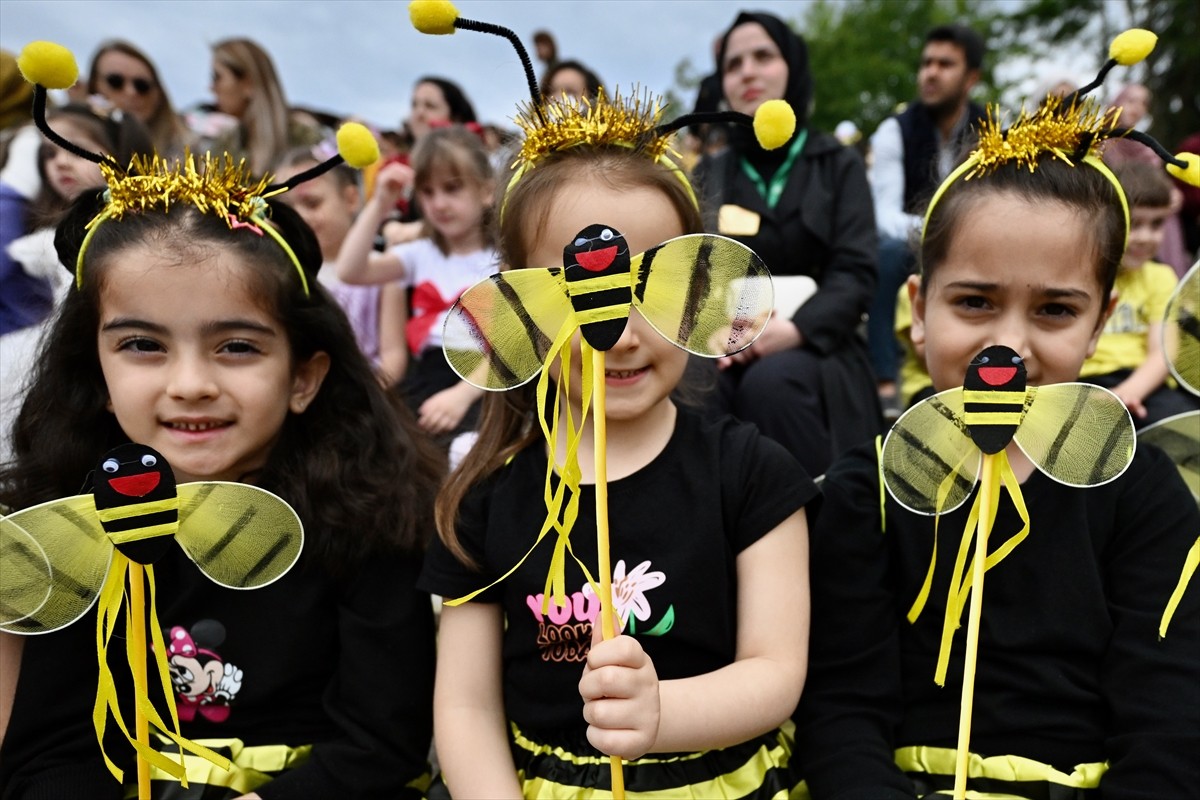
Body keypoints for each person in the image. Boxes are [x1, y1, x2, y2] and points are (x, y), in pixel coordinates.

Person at [406, 4, 814, 795]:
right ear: (521, 311)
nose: (618, 336)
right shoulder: (483, 501)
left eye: (652, 288)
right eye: (580, 295)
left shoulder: (754, 474)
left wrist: (664, 711)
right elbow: (463, 708)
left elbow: (776, 669)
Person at [0, 67, 442, 798]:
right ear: (97, 372)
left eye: (236, 347)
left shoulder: (371, 521)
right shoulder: (67, 531)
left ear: (304, 376)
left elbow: (376, 744)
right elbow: (45, 755)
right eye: (142, 345)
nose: (190, 383)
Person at [794, 92, 1200, 796]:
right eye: (975, 302)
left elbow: (1169, 724)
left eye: (1054, 310)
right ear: (918, 309)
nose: (1007, 350)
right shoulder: (870, 489)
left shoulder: (1142, 491)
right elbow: (842, 713)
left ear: (1100, 323)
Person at [694, 10, 879, 478]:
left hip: (820, 345)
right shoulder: (706, 176)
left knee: (773, 385)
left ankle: (820, 534)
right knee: (695, 389)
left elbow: (855, 272)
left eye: (763, 56)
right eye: (733, 65)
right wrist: (719, 332)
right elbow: (694, 274)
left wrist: (796, 330)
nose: (748, 72)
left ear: (791, 67)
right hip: (727, 345)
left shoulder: (837, 165)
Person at [336, 125, 497, 437]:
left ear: (487, 191)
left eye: (452, 188)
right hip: (427, 376)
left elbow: (515, 344)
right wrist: (380, 204)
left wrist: (461, 396)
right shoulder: (419, 254)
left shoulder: (502, 258)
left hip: (484, 380)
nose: (438, 203)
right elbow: (350, 270)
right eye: (427, 192)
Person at [866, 24, 988, 419]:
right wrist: (939, 236)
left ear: (971, 78)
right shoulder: (894, 130)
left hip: (984, 242)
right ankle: (885, 377)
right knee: (884, 254)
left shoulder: (993, 131)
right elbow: (883, 215)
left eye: (945, 64)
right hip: (908, 241)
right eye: (926, 63)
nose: (930, 73)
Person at [272, 146, 409, 383]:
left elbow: (392, 354)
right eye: (287, 208)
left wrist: (367, 397)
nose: (299, 217)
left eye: (312, 203)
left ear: (351, 199)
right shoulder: (279, 272)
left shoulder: (381, 270)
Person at [1080, 161, 1200, 426]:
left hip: (1144, 384)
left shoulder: (1160, 277)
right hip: (1083, 384)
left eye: (1156, 224)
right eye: (1134, 224)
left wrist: (1127, 394)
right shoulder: (1082, 275)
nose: (1146, 237)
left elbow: (1163, 353)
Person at [203, 38, 322, 176]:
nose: (211, 88)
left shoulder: (303, 138)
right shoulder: (224, 147)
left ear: (248, 83)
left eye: (217, 77)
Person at [86, 39, 191, 158]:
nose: (131, 92)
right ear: (94, 85)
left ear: (158, 94)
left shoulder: (189, 154)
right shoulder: (69, 139)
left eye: (142, 86)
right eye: (115, 81)